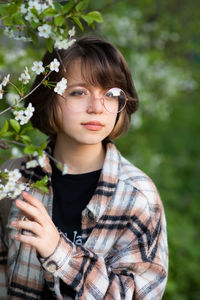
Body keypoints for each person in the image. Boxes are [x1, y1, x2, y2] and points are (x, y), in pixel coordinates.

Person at [0, 35, 168, 299]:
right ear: (49, 97)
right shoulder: (14, 178)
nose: (96, 108)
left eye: (111, 95)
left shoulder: (137, 196)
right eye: (79, 92)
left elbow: (139, 294)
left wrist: (59, 251)